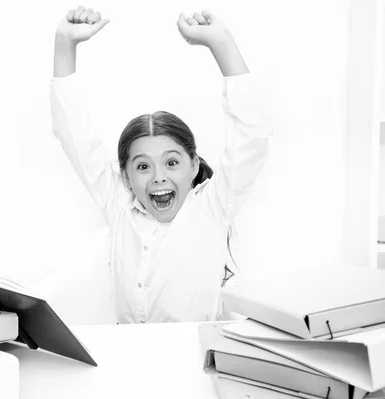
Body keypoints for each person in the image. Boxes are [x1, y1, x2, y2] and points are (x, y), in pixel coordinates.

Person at [50, 6, 272, 323]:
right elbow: (75, 136)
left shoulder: (212, 208)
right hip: (128, 356)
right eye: (143, 167)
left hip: (192, 359)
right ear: (125, 176)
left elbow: (251, 135)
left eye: (171, 162)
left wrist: (221, 42)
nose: (158, 178)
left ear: (194, 165)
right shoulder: (119, 206)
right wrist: (64, 44)